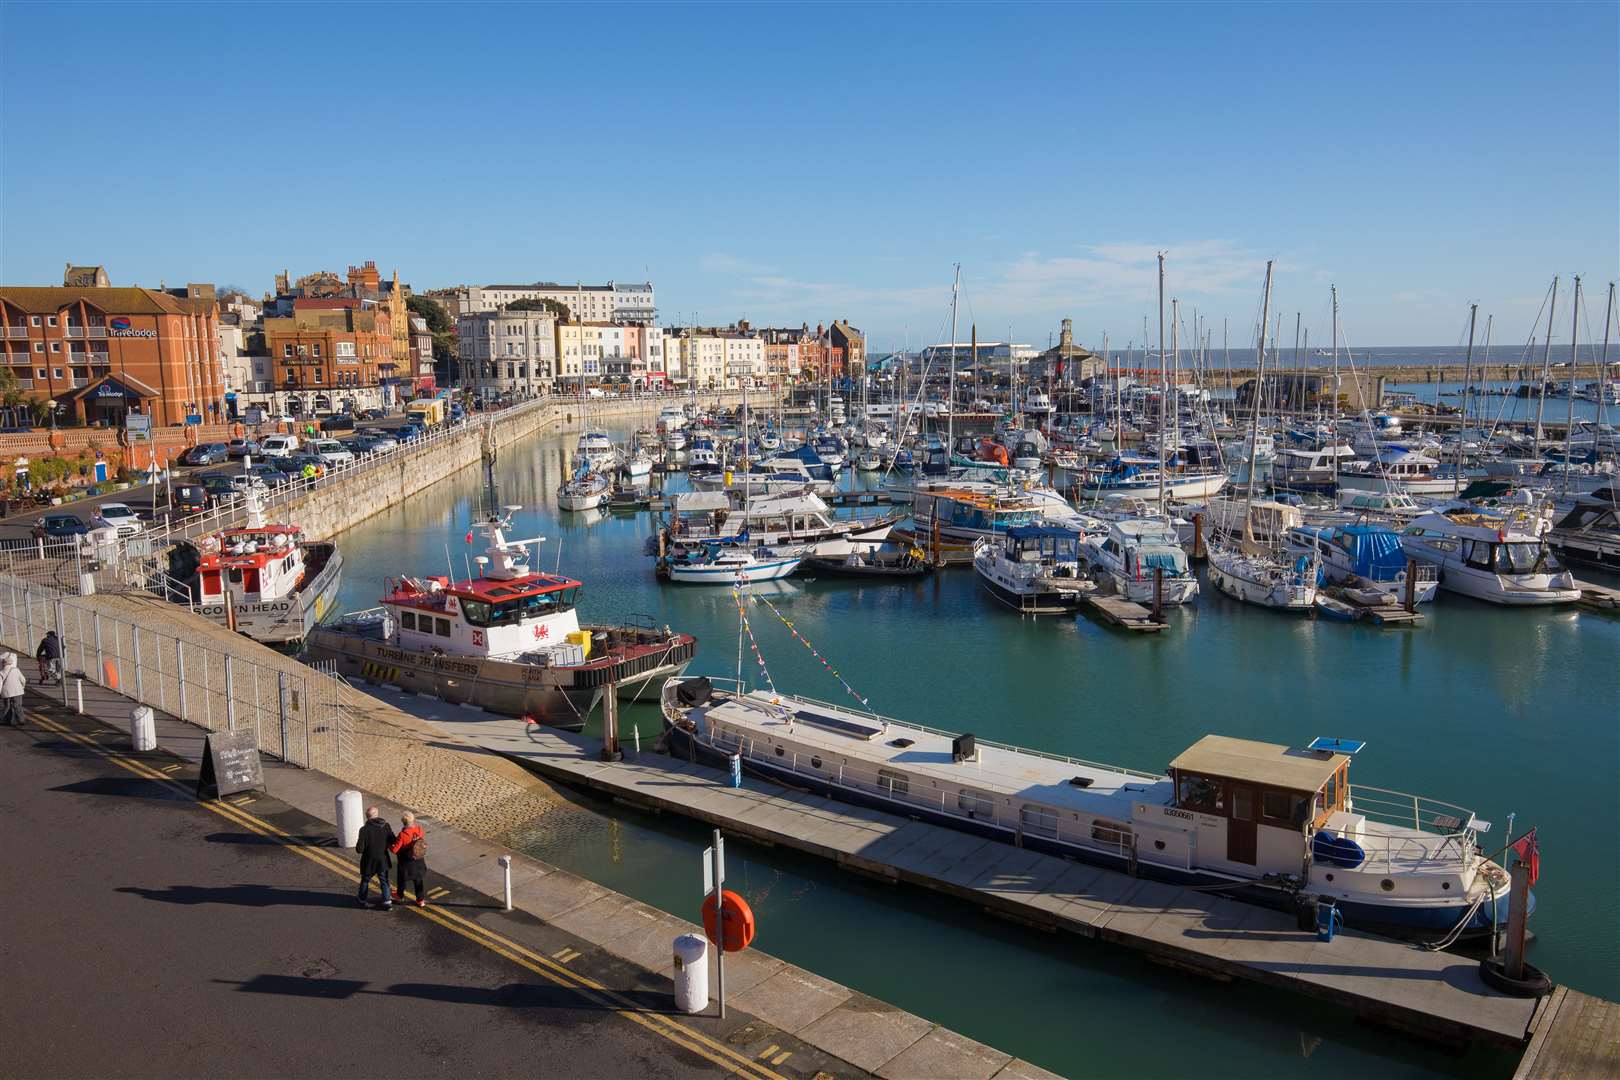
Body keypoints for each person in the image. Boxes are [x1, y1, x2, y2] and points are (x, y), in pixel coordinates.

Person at [355, 806, 396, 910]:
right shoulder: (386, 826)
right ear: (377, 814)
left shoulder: (364, 830)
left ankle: (362, 899)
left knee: (365, 880)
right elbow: (393, 840)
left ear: (367, 817)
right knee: (384, 880)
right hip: (383, 859)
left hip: (369, 860)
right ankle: (387, 901)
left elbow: (359, 849)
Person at [389, 811, 428, 906]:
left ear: (403, 822)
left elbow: (395, 850)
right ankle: (420, 900)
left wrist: (389, 845)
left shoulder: (403, 835)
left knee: (402, 879)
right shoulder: (419, 830)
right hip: (418, 860)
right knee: (418, 880)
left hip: (406, 861)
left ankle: (399, 895)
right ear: (413, 819)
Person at [1, 653, 26, 726]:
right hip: (18, 691)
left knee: (7, 706)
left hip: (6, 692)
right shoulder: (16, 670)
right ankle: (21, 720)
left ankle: (7, 720)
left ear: (3, 664)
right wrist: (23, 687)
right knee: (17, 705)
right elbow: (23, 680)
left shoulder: (1, 673)